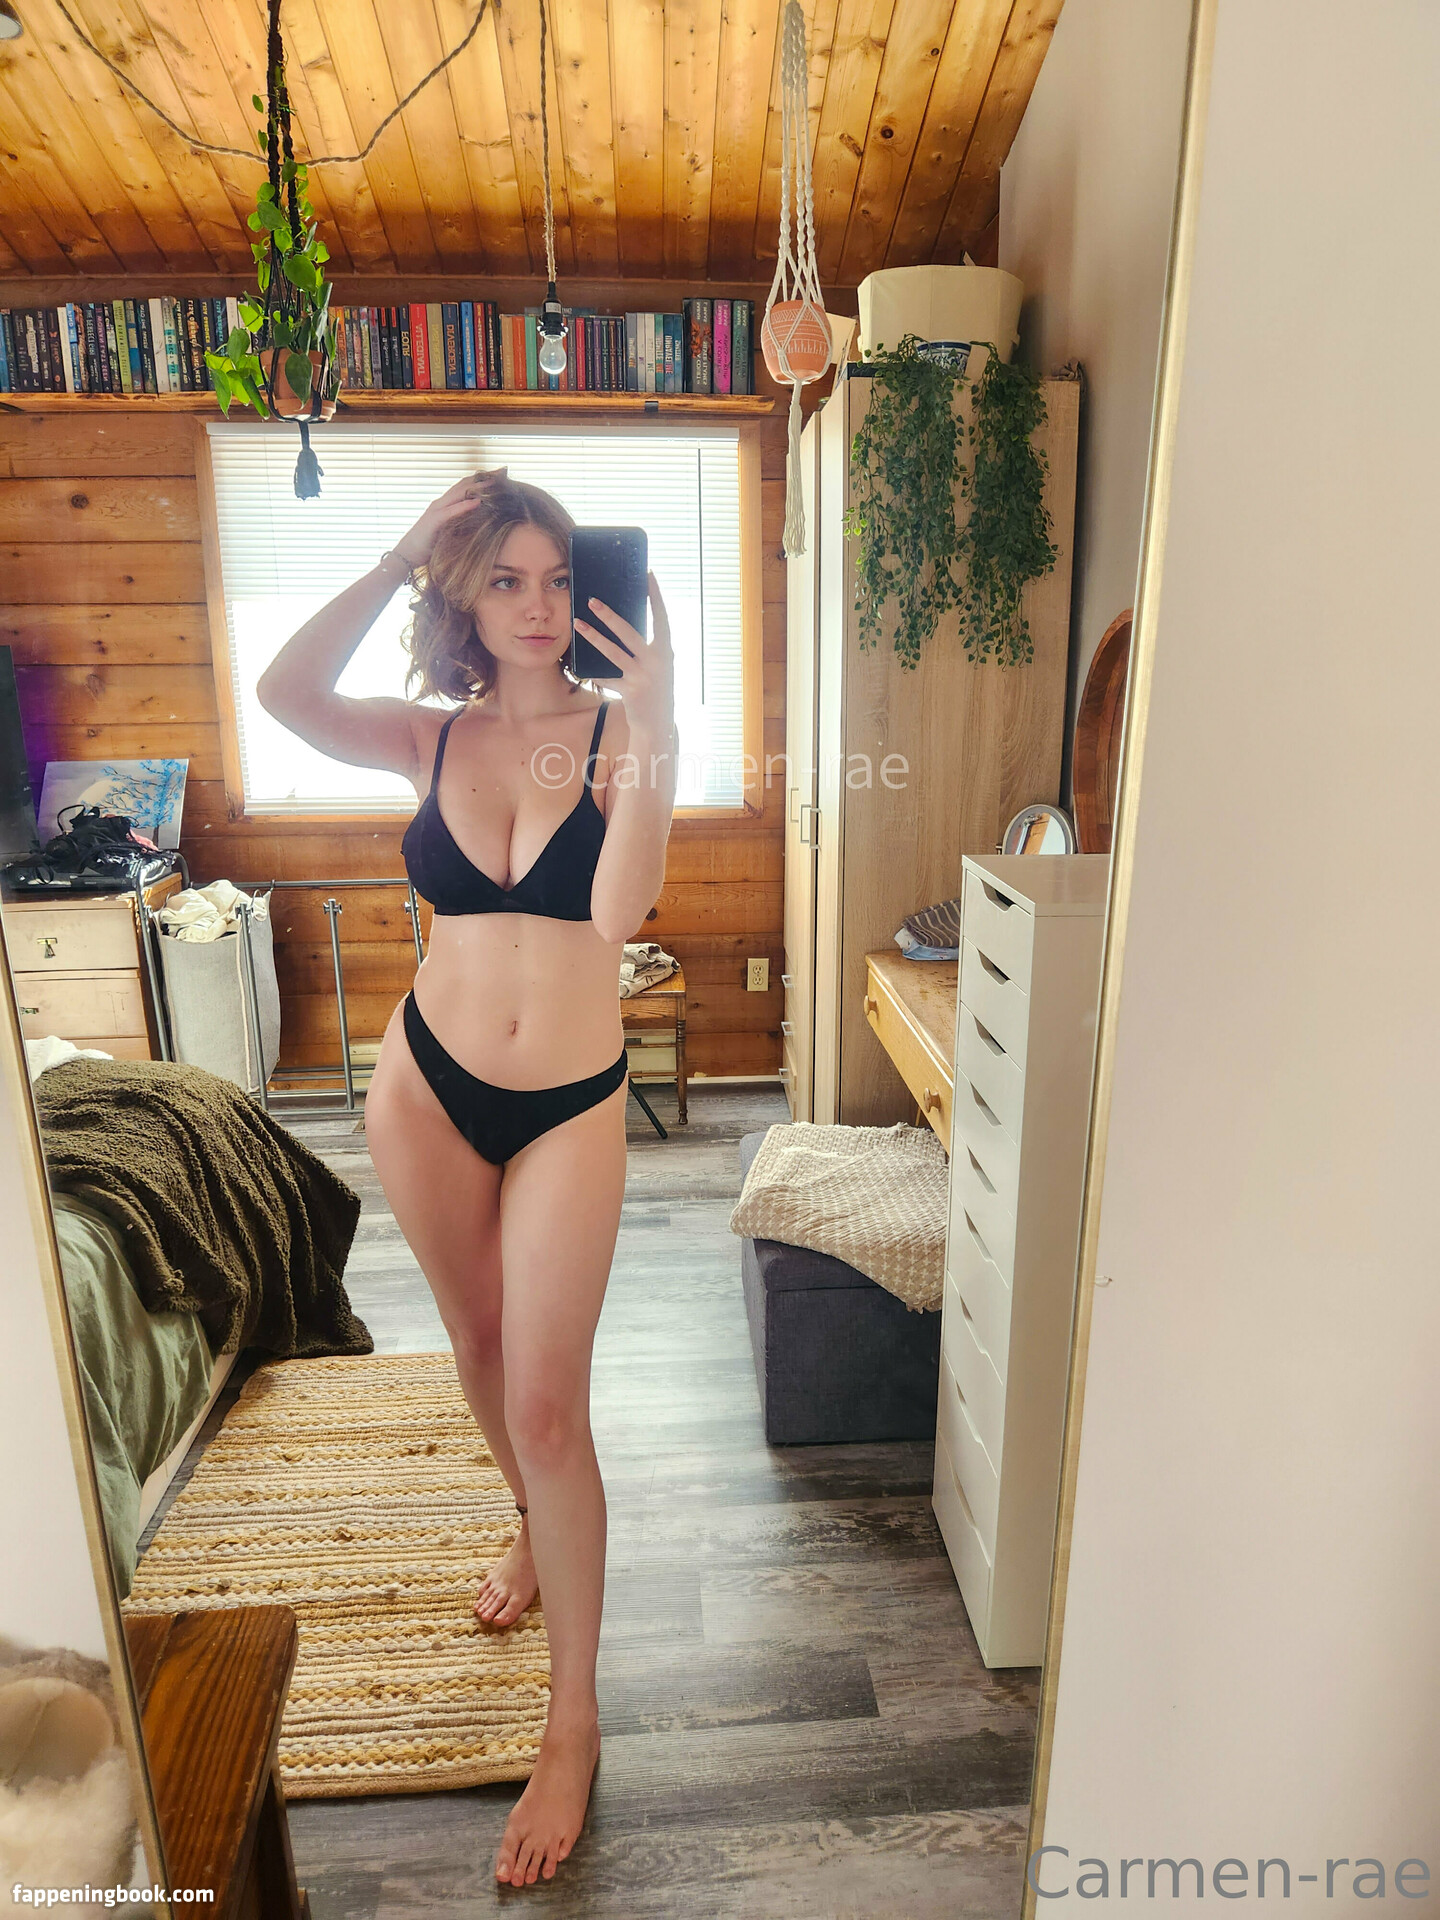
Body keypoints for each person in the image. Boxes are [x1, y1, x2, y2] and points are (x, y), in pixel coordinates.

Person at [256, 469, 678, 1887]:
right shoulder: (428, 735)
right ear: (466, 596)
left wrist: (662, 725)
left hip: (569, 1102)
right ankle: (534, 1532)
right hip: (425, 1087)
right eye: (505, 578)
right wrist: (395, 554)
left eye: (558, 577)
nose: (538, 605)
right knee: (482, 1349)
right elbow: (282, 691)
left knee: (550, 1404)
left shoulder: (617, 734)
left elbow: (617, 910)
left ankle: (572, 1724)